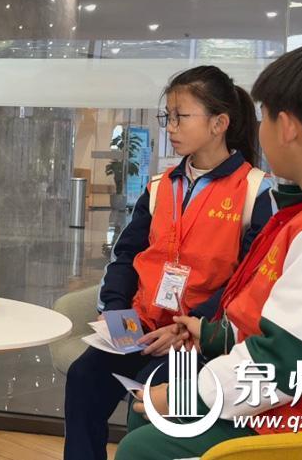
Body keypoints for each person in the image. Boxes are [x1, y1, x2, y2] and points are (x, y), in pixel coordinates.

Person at [120, 40, 302, 459]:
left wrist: (183, 396)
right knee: (147, 416)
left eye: (264, 116)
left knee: (143, 445)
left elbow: (280, 366)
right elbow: (291, 325)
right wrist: (217, 334)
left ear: (287, 127)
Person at [64, 66, 275, 460]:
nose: (171, 127)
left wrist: (188, 328)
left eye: (181, 116)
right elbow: (125, 256)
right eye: (168, 117)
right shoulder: (160, 187)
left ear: (219, 123)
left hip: (195, 339)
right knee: (84, 378)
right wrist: (116, 310)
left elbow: (249, 283)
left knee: (146, 401)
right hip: (139, 328)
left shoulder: (254, 192)